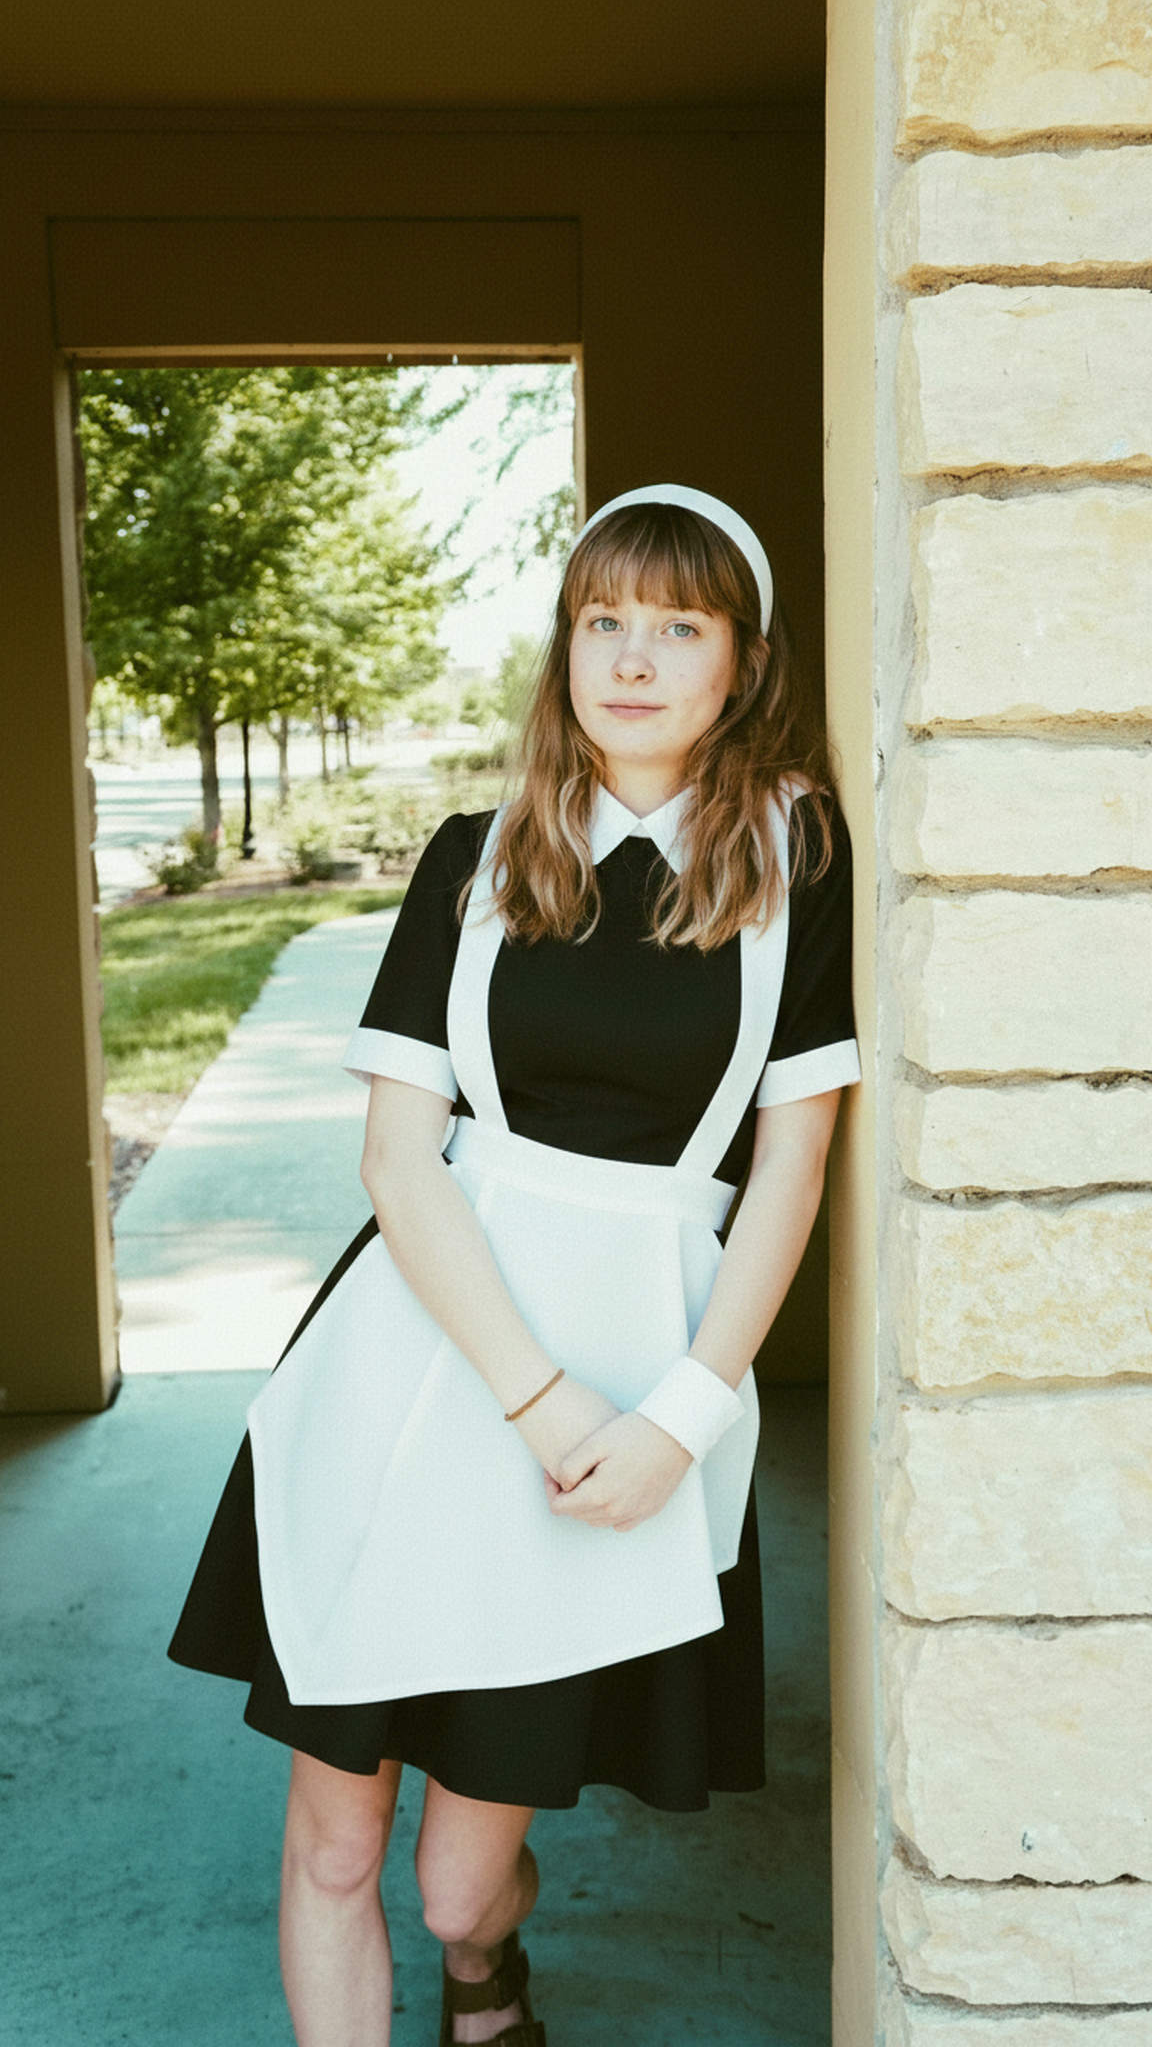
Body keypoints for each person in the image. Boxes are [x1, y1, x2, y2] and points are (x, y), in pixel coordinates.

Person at [169, 483, 860, 2047]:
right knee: (335, 1842)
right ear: (563, 648)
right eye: (601, 619)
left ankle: (489, 1975)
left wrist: (680, 1413)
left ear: (739, 664)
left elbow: (793, 1168)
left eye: (678, 626)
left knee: (454, 1894)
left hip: (639, 1385)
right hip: (423, 1369)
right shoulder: (474, 859)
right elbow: (399, 1160)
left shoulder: (791, 861)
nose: (632, 656)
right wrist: (538, 1401)